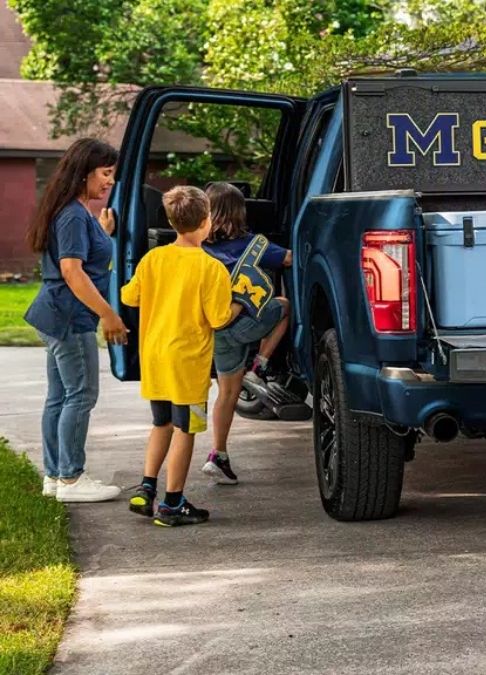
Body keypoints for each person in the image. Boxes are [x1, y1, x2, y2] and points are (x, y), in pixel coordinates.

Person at [121, 186, 241, 527]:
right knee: (185, 430)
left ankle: (146, 488)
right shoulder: (211, 268)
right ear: (206, 221)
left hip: (156, 358)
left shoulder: (153, 259)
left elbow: (130, 297)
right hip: (187, 364)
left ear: (173, 222)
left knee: (161, 423)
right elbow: (219, 318)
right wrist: (243, 300)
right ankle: (173, 503)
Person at [24, 138, 127, 503]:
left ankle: (54, 476)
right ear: (84, 173)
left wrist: (104, 233)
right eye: (106, 173)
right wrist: (109, 314)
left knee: (60, 396)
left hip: (56, 312)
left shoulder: (76, 212)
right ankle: (71, 478)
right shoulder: (71, 214)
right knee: (80, 395)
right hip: (69, 316)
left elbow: (82, 256)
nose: (110, 181)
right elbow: (72, 271)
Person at [201, 182, 292, 485]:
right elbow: (289, 259)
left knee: (226, 394)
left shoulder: (198, 248)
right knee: (283, 305)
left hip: (216, 331)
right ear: (239, 213)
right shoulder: (253, 245)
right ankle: (260, 365)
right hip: (246, 325)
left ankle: (219, 453)